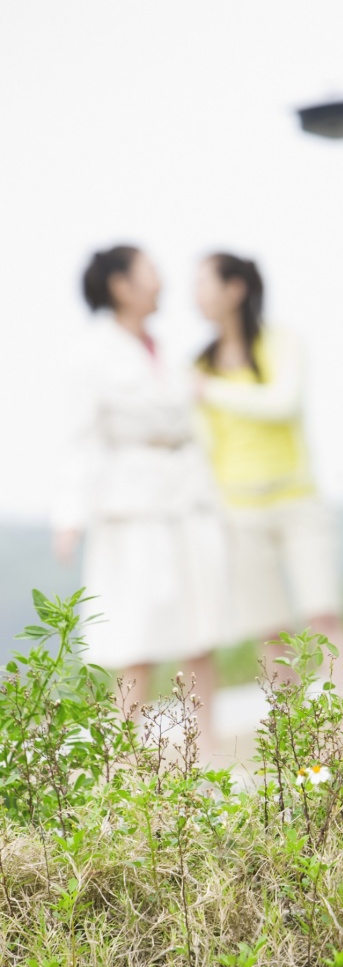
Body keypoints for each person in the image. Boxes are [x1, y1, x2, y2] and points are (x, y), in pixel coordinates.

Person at [53, 245, 225, 737]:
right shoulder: (91, 353)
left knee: (200, 624)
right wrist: (69, 515)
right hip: (131, 507)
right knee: (136, 630)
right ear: (120, 286)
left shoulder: (164, 349)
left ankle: (206, 746)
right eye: (151, 272)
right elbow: (79, 438)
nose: (161, 282)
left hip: (186, 498)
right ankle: (125, 757)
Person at [193, 252, 343, 682]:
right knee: (272, 635)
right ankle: (294, 742)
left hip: (299, 501)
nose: (196, 296)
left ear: (234, 289)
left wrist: (209, 391)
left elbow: (283, 404)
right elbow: (205, 447)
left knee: (324, 620)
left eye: (204, 284)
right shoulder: (199, 364)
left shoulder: (281, 341)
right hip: (239, 513)